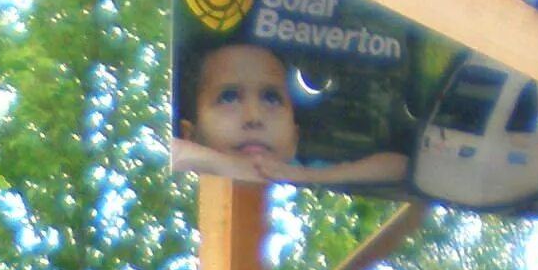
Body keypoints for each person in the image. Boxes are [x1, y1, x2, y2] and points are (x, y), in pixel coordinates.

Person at [171, 37, 409, 188]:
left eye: (271, 98)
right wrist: (226, 167)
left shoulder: (298, 172)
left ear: (294, 138)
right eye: (229, 97)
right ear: (190, 134)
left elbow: (399, 166)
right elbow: (174, 151)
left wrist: (305, 177)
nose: (254, 117)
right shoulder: (185, 184)